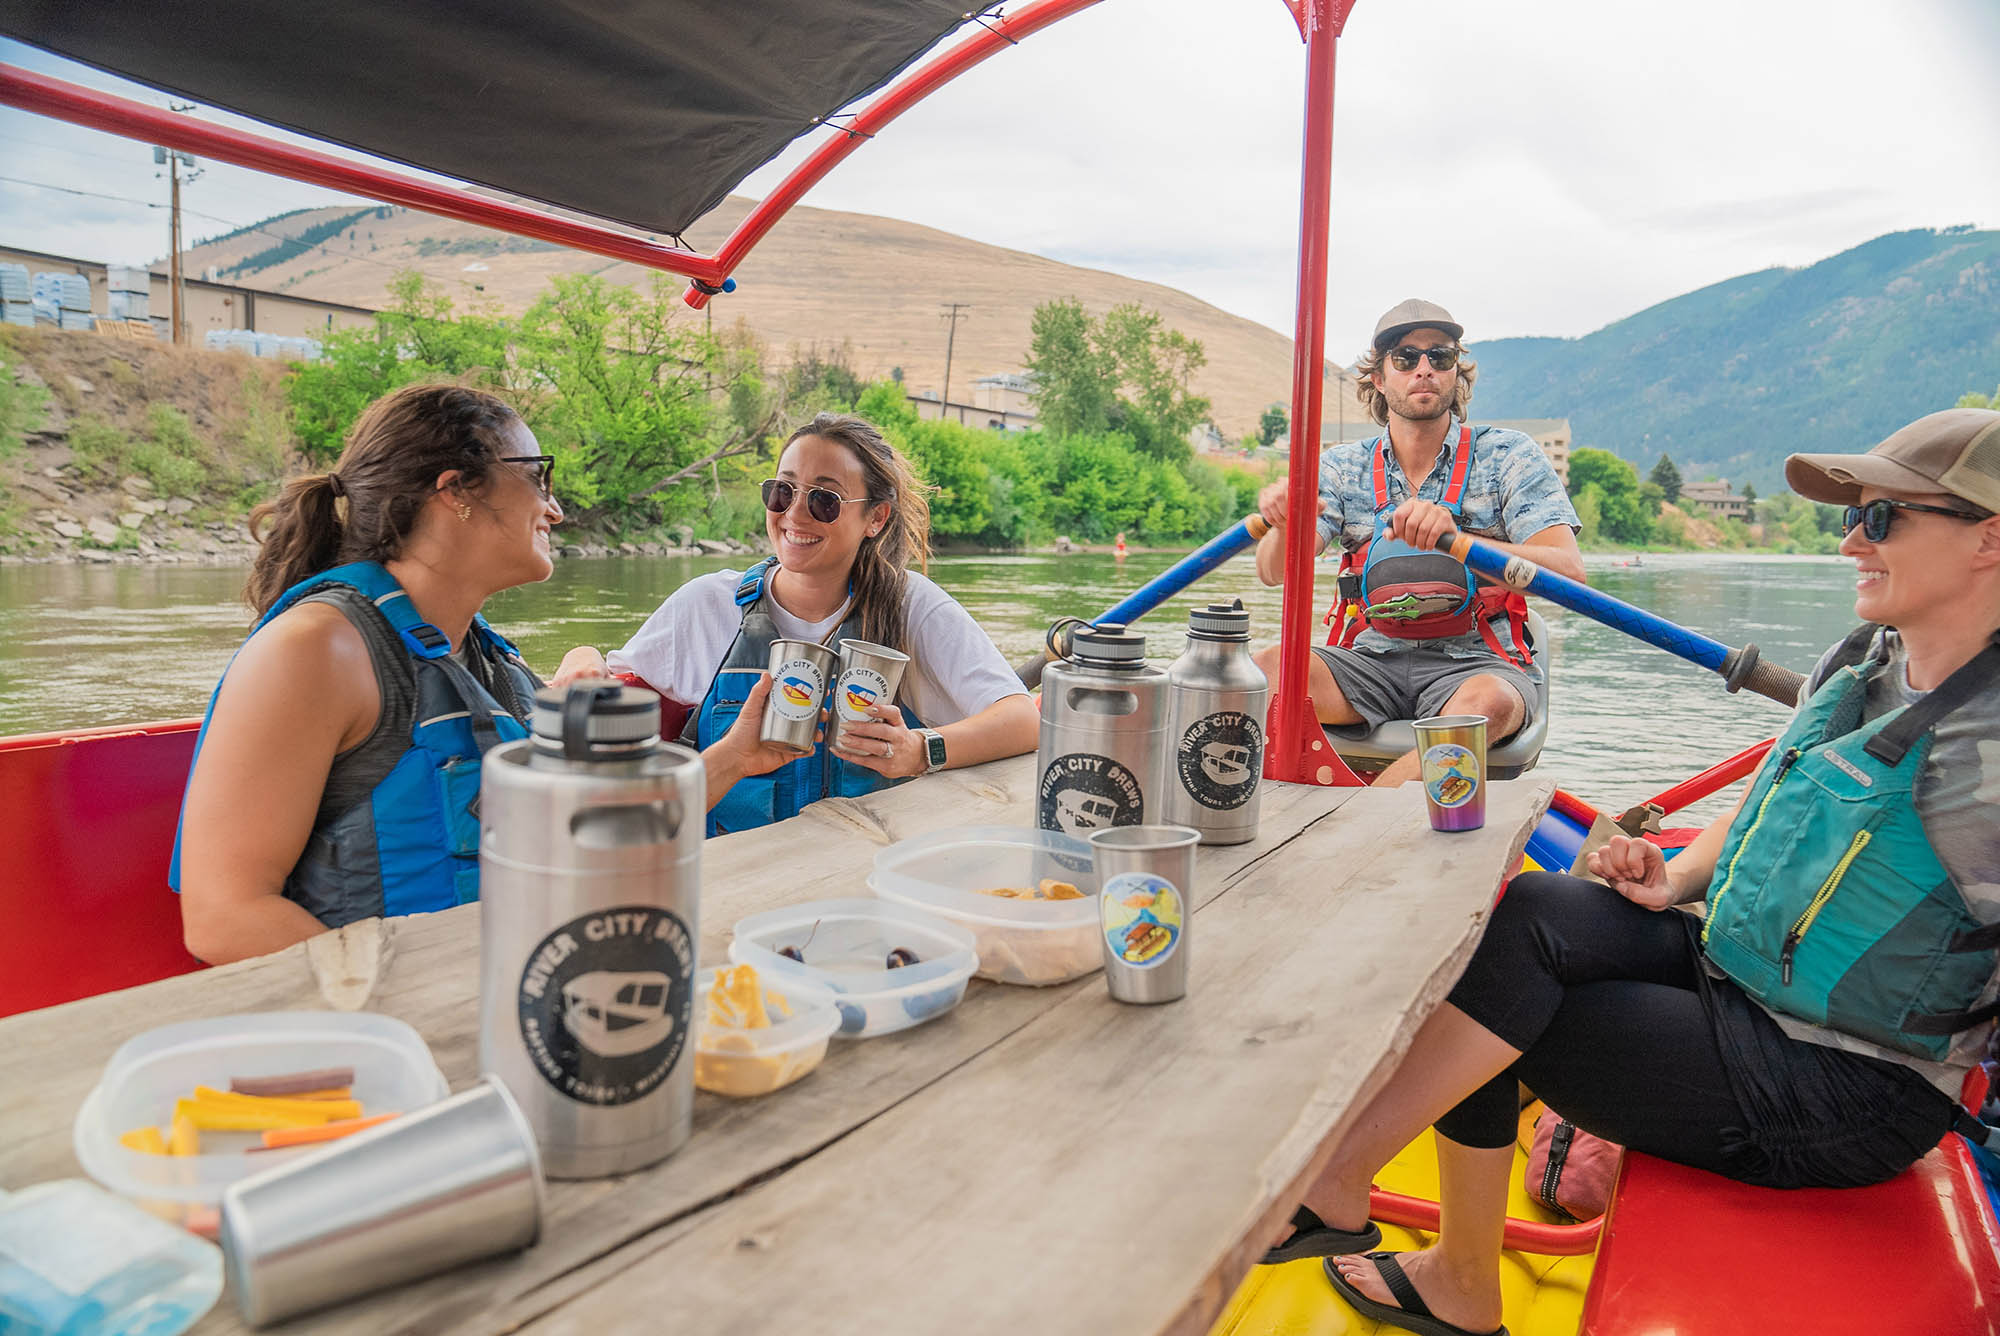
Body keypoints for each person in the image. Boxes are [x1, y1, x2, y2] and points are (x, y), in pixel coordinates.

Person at [1267, 409, 2000, 1336]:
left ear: (1990, 538)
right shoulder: (1865, 658)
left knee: (1518, 1015)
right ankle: (1413, 1237)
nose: (1853, 539)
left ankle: (1344, 1188)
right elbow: (1778, 795)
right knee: (1525, 911)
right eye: (1851, 517)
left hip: (1846, 1086)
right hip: (1738, 976)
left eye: (1883, 519)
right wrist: (1679, 879)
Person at [173, 385, 564, 965]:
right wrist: (422, 1011)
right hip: (392, 1026)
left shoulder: (489, 660)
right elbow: (225, 918)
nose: (554, 509)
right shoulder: (316, 648)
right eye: (539, 477)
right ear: (455, 491)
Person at [554, 412, 1038, 833]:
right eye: (782, 491)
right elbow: (610, 697)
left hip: (858, 876)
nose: (794, 514)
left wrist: (919, 749)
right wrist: (583, 655)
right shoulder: (705, 604)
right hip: (731, 875)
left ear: (876, 518)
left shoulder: (911, 605)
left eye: (824, 500)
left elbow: (1021, 720)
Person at [1252, 300, 1584, 786]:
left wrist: (1457, 543)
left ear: (1456, 373)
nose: (1424, 369)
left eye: (1440, 357)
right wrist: (1283, 522)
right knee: (1259, 675)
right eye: (1406, 358)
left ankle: (1362, 820)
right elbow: (1273, 572)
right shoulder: (1342, 467)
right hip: (1371, 661)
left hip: (1481, 663)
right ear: (1380, 379)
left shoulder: (1509, 456)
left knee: (1482, 706)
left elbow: (1569, 573)